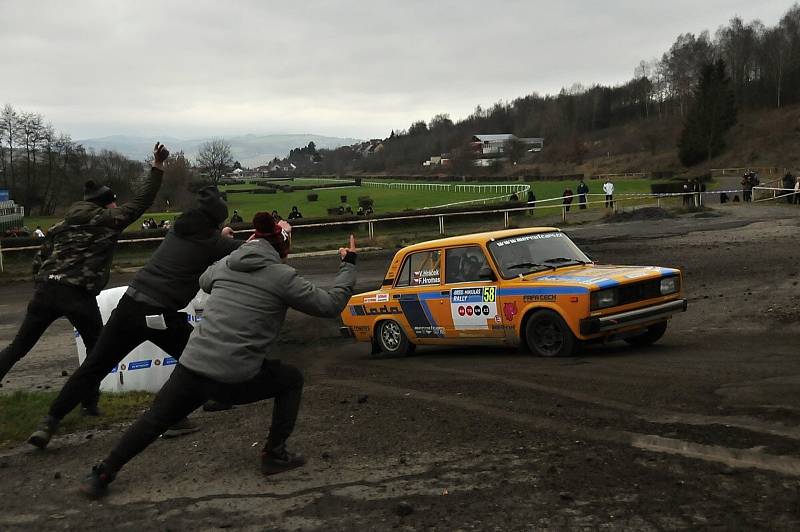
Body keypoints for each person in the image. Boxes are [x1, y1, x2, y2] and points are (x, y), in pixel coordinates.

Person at [78, 215, 358, 499]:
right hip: (233, 377)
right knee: (291, 379)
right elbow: (330, 304)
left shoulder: (227, 265)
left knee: (154, 419)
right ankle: (275, 454)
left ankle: (102, 473)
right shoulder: (283, 277)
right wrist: (348, 265)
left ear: (251, 241)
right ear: (282, 249)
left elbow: (204, 279)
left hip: (192, 364)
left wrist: (238, 251)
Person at [28, 185, 243, 448]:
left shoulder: (178, 229)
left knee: (94, 366)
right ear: (216, 219)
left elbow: (205, 241)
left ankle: (49, 421)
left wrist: (219, 235)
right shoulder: (213, 242)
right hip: (160, 313)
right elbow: (243, 250)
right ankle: (180, 415)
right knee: (201, 356)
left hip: (129, 305)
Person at [0, 143, 167, 414]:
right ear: (104, 203)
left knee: (19, 347)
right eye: (112, 201)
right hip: (78, 294)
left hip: (46, 290)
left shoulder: (60, 225)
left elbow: (38, 260)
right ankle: (89, 405)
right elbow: (141, 201)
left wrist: (43, 283)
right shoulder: (108, 220)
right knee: (96, 353)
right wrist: (157, 167)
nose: (115, 205)